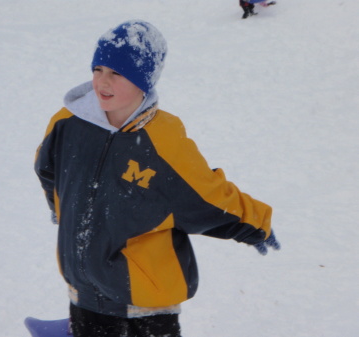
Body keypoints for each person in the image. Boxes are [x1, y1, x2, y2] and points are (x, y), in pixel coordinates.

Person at [34, 20, 280, 337]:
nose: (102, 82)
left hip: (145, 295)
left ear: (144, 82)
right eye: (98, 69)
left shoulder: (162, 141)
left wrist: (255, 222)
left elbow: (206, 196)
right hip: (84, 287)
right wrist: (62, 209)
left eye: (117, 73)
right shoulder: (68, 123)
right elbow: (49, 170)